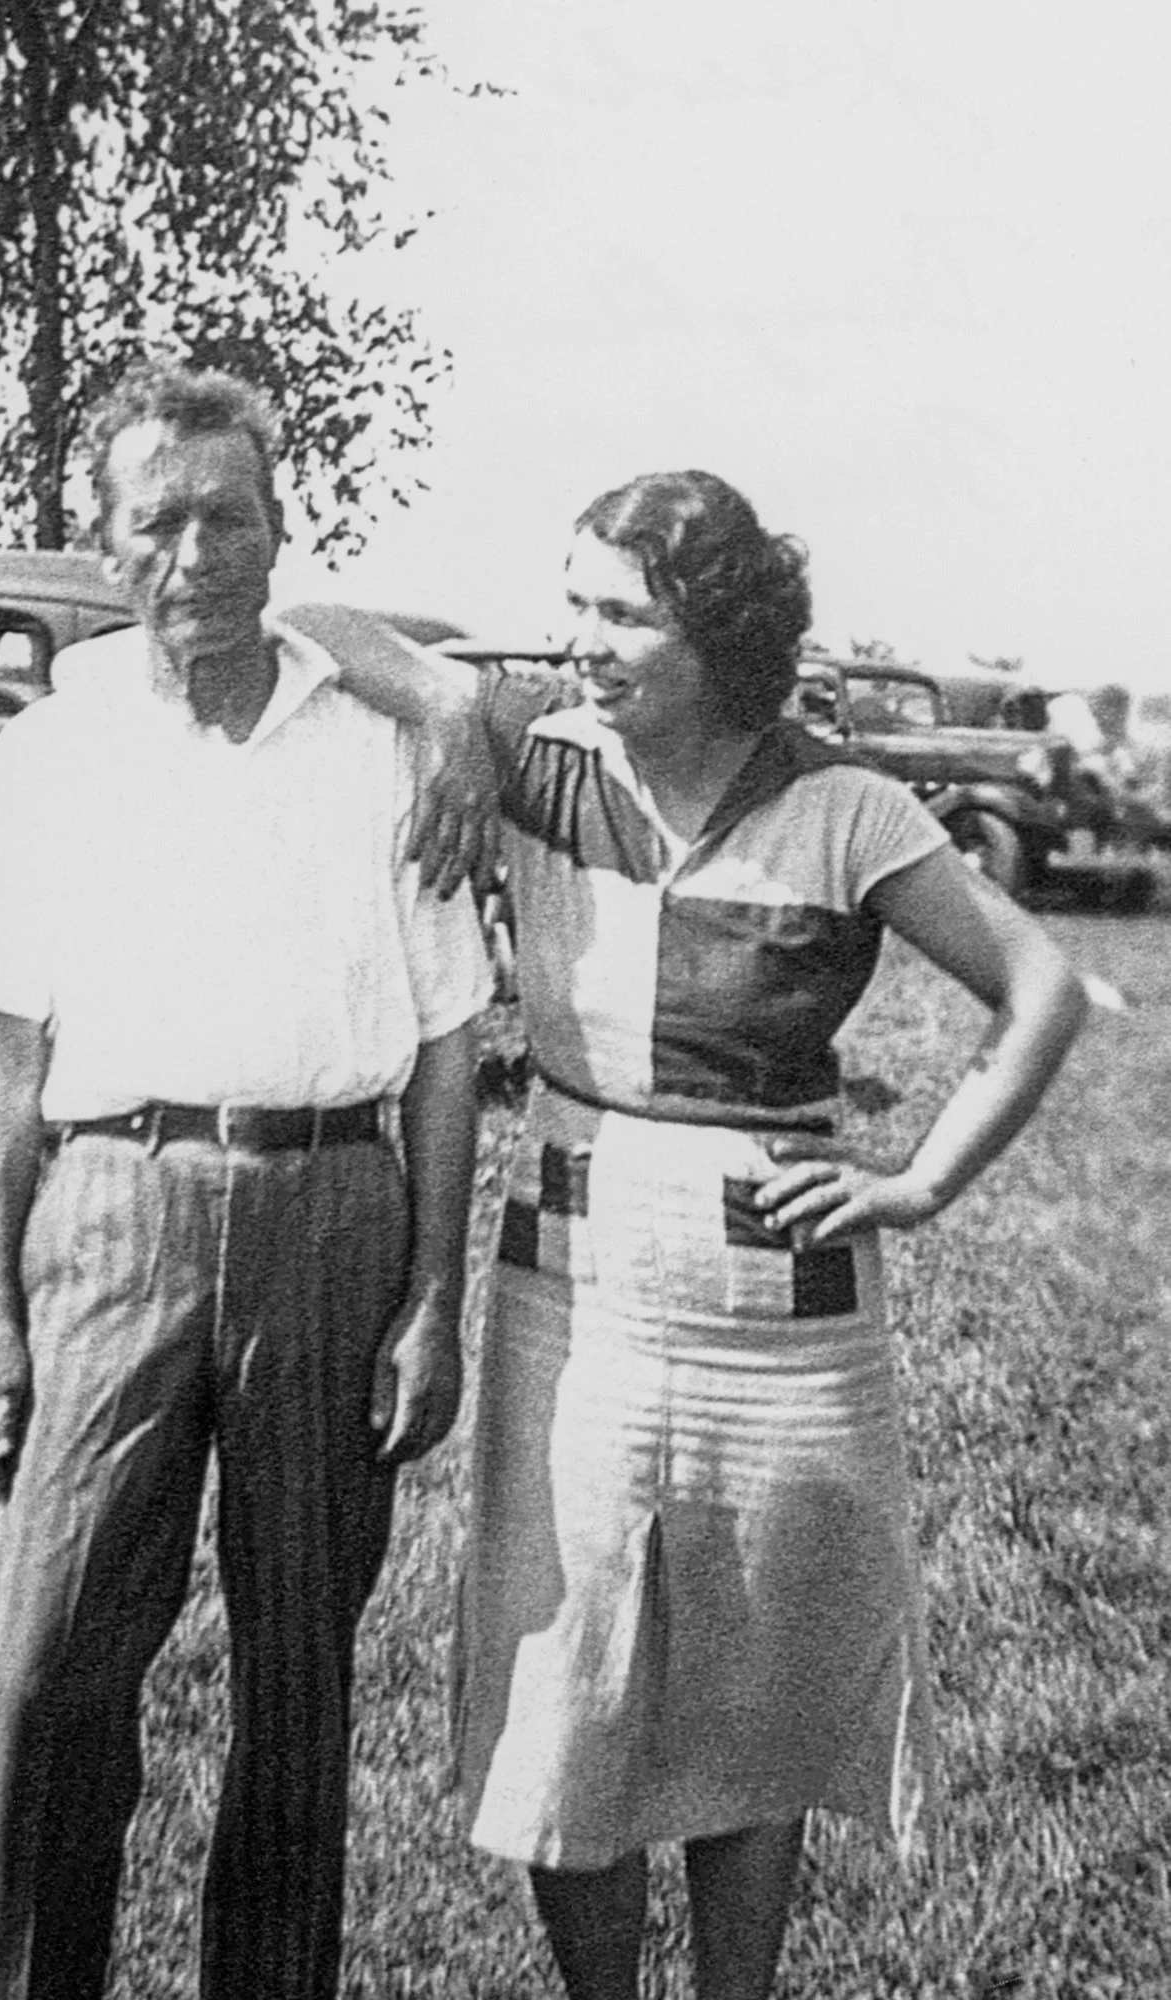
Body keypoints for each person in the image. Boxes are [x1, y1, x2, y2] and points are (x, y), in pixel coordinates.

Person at [290, 470, 1086, 2000]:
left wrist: (914, 1183)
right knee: (565, 1683)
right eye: (571, 601)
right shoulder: (545, 758)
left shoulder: (845, 806)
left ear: (716, 633)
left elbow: (1039, 988)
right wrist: (456, 709)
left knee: (751, 1701)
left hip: (785, 1315)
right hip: (570, 1277)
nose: (582, 641)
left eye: (620, 614)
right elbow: (314, 622)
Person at [0, 356, 492, 2000]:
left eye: (227, 517)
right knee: (45, 1670)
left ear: (278, 527)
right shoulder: (54, 746)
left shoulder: (381, 743)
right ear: (107, 546)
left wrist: (433, 1302)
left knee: (298, 1687)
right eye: (157, 520)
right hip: (111, 1214)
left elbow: (449, 1047)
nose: (196, 554)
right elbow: (2, 1055)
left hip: (333, 1215)